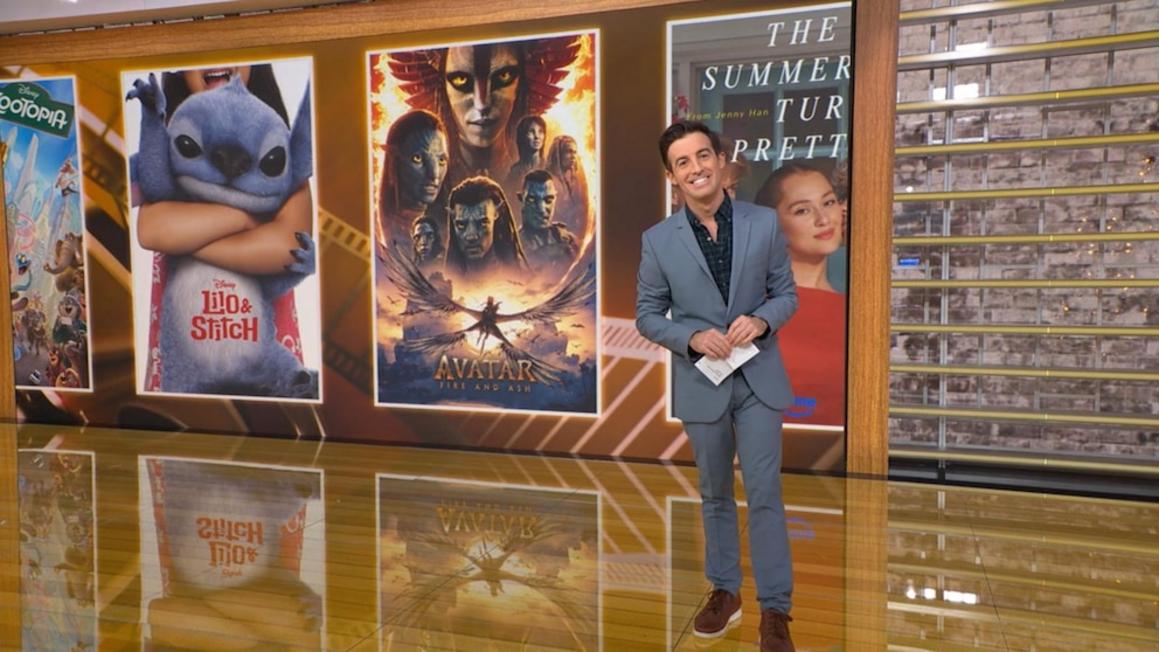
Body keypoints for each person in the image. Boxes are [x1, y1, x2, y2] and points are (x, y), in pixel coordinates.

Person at [636, 121, 797, 651]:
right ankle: (725, 591)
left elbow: (786, 295)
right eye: (682, 162)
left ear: (721, 160)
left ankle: (775, 609)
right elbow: (647, 316)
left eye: (703, 155)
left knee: (765, 491)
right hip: (702, 381)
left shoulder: (763, 223)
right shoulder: (658, 241)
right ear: (672, 176)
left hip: (758, 378)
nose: (696, 168)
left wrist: (763, 320)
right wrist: (691, 337)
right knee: (714, 492)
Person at [132, 63, 310, 392]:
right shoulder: (170, 144)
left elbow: (289, 247)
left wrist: (187, 237)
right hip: (183, 365)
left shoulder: (279, 146)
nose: (214, 60)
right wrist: (247, 218)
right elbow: (152, 230)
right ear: (178, 70)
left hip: (267, 360)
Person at [387, 37, 579, 186]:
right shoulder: (422, 181)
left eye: (503, 77)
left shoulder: (551, 172)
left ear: (521, 85)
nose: (482, 103)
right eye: (461, 80)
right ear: (442, 88)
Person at [754, 162, 847, 426]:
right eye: (802, 210)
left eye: (828, 202)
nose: (823, 219)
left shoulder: (856, 311)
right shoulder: (749, 307)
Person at [377, 110, 449, 248]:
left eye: (441, 160)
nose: (434, 174)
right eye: (418, 158)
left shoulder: (450, 234)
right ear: (392, 162)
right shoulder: (371, 230)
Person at [444, 176, 527, 279]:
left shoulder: (523, 281)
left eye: (482, 223)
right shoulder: (442, 280)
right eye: (461, 225)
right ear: (453, 219)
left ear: (497, 214)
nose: (471, 236)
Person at [516, 169, 578, 276]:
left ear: (555, 199)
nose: (541, 209)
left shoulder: (568, 239)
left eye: (548, 200)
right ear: (521, 199)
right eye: (532, 200)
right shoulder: (513, 249)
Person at [545, 134, 589, 233]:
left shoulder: (574, 180)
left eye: (575, 152)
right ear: (558, 154)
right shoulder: (548, 181)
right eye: (569, 152)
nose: (573, 157)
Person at [505, 115, 547, 190]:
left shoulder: (548, 167)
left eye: (540, 131)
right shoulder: (515, 172)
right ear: (523, 136)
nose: (537, 136)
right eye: (531, 131)